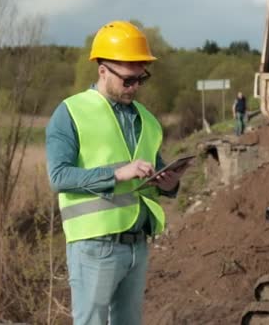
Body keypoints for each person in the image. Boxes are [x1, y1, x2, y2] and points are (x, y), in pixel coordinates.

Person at [45, 20, 188, 325]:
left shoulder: (147, 120)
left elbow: (153, 172)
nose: (135, 86)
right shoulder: (70, 112)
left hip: (137, 244)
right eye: (127, 80)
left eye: (140, 79)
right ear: (102, 70)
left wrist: (169, 183)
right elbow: (59, 177)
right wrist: (117, 174)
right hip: (94, 244)